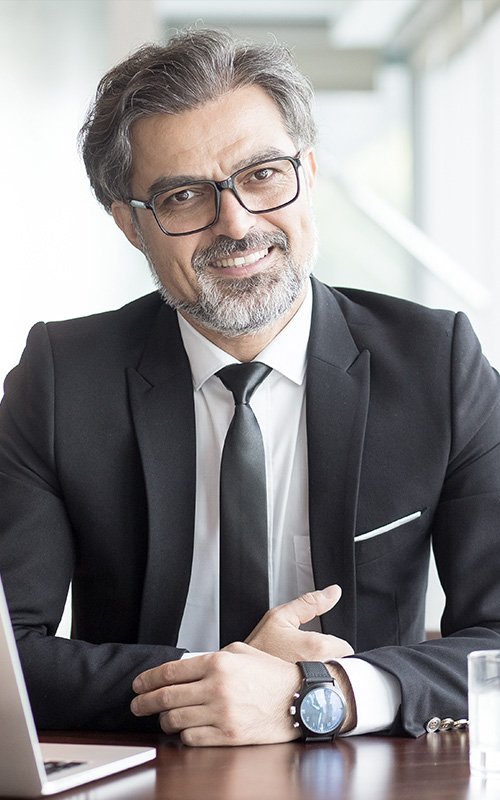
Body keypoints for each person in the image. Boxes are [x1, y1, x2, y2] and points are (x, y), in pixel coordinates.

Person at [1, 27, 500, 747]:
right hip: (141, 770)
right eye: (182, 196)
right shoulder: (60, 378)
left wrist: (322, 694)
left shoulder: (438, 364)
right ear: (131, 226)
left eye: (263, 174)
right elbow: (8, 649)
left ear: (310, 172)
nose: (236, 224)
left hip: (372, 772)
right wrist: (210, 688)